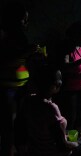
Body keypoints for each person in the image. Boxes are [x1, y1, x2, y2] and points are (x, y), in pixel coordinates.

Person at [14, 65, 81, 156]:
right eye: (59, 80)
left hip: (35, 151)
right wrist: (77, 144)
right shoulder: (51, 108)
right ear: (53, 86)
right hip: (52, 152)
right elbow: (62, 145)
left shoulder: (28, 101)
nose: (61, 82)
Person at [48, 20, 81, 145]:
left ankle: (79, 135)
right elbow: (64, 67)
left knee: (79, 114)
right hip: (69, 88)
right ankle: (70, 142)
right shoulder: (65, 46)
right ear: (76, 35)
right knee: (70, 116)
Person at [0, 1, 30, 155]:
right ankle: (8, 149)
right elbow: (5, 59)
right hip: (7, 87)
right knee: (8, 123)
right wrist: (26, 53)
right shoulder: (3, 35)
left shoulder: (20, 35)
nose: (26, 23)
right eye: (23, 19)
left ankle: (18, 148)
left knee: (20, 121)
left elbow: (20, 62)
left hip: (20, 86)